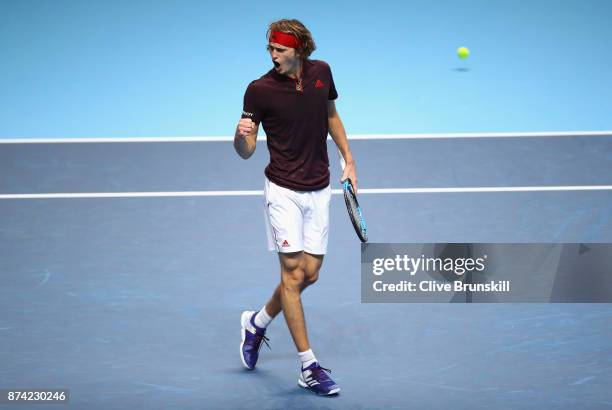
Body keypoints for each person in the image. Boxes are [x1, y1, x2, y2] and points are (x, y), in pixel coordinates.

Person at [234, 18, 356, 396]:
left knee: (309, 275)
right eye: (270, 49)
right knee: (291, 273)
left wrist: (348, 159)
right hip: (283, 190)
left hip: (318, 188)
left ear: (300, 50)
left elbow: (330, 116)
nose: (273, 56)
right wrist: (240, 139)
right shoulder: (259, 90)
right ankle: (308, 365)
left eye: (280, 50)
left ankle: (256, 322)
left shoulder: (322, 73)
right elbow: (247, 152)